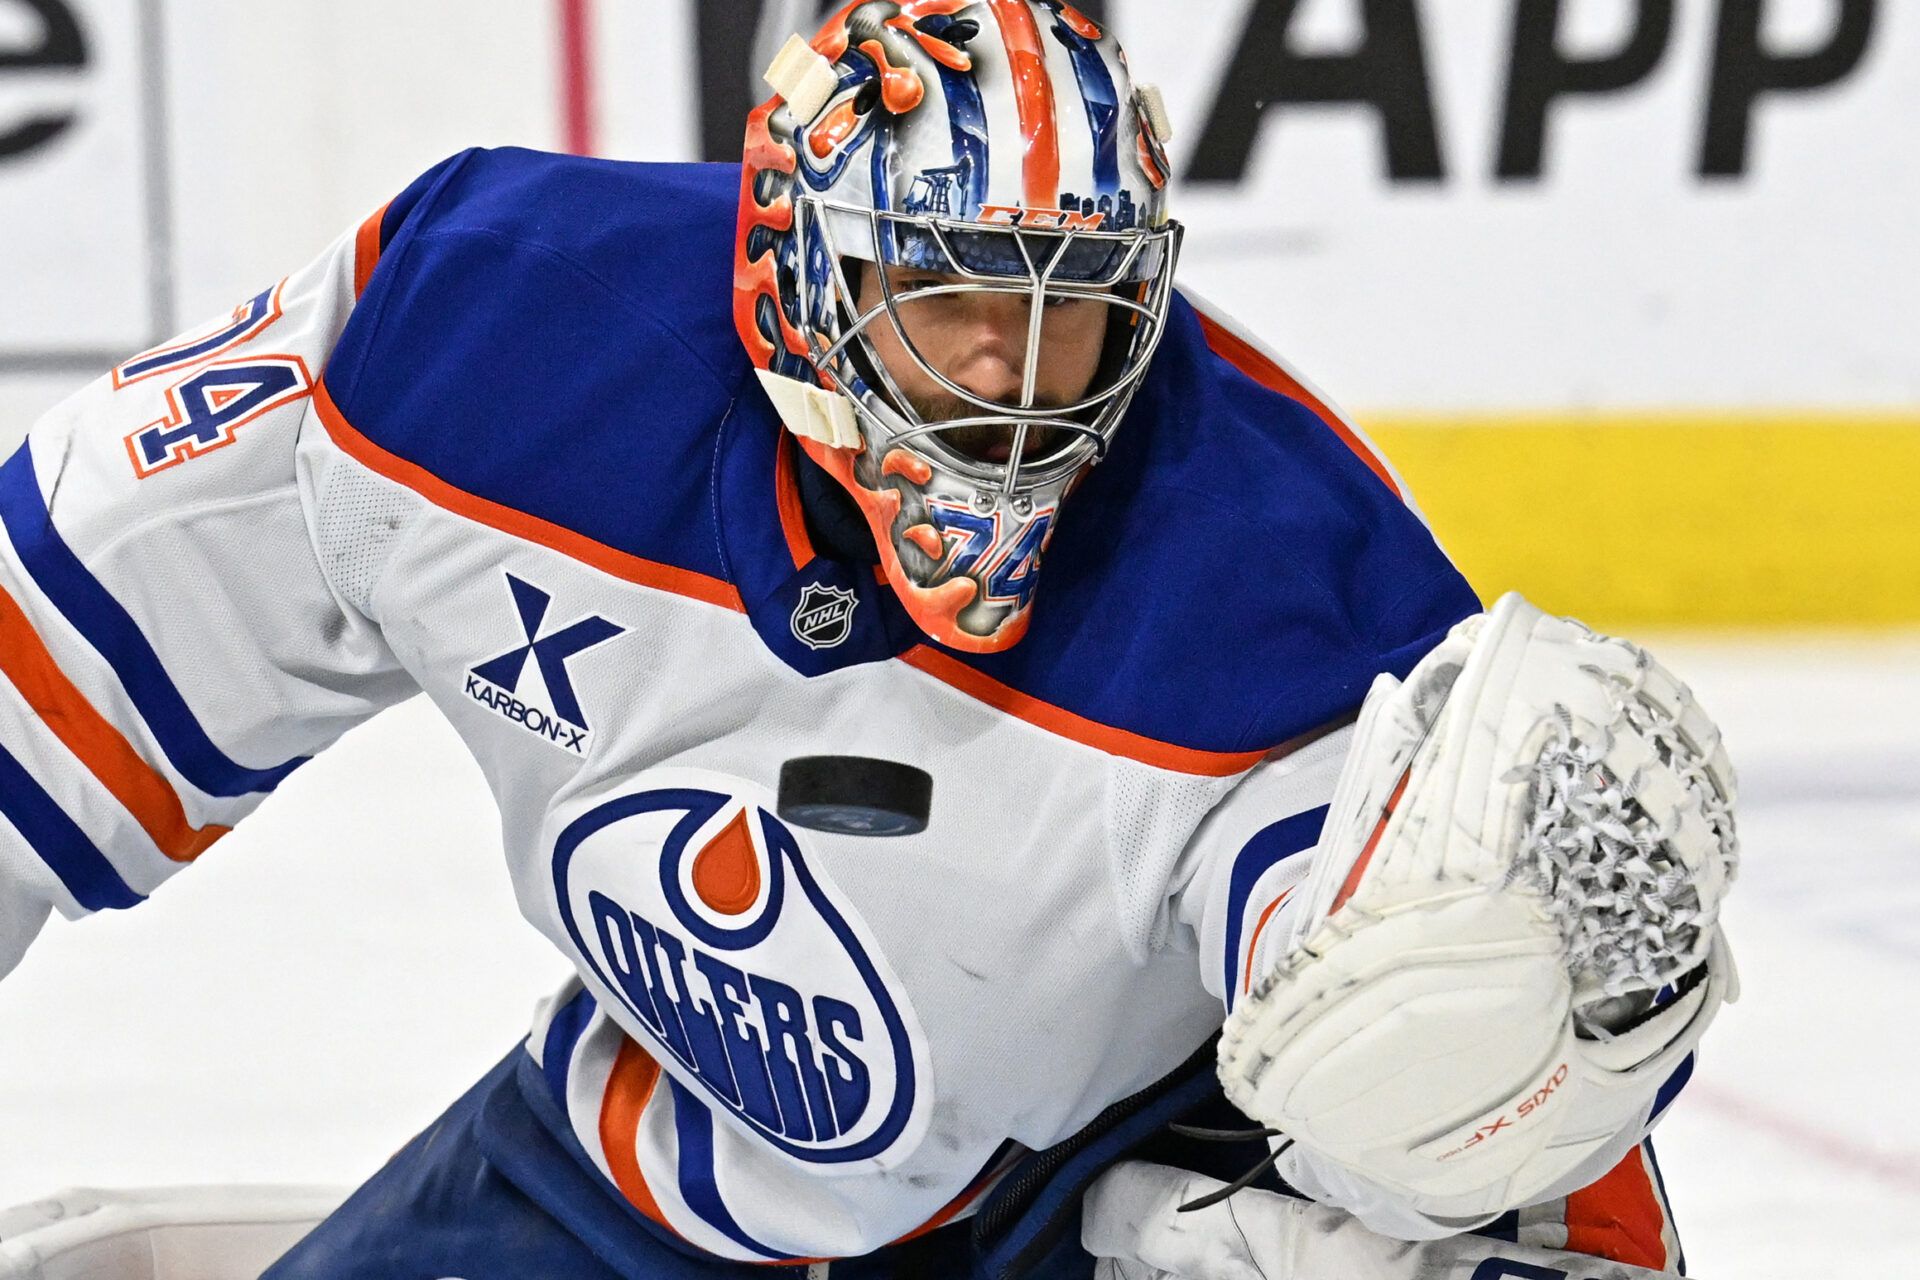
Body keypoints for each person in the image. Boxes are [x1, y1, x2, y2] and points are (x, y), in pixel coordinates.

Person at [0, 3, 1736, 1277]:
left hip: (1082, 1229)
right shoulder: (480, 334)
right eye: (957, 305)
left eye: (1074, 320)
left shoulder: (1282, 596)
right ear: (802, 278)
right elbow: (36, 670)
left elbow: (1474, 1082)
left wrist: (1490, 1138)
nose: (1013, 384)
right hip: (649, 1176)